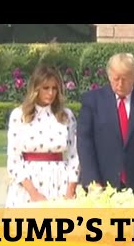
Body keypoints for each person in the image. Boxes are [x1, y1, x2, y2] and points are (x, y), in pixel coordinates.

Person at [77, 53, 134, 199]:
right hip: (101, 187)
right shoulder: (92, 101)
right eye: (116, 78)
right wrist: (92, 181)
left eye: (125, 79)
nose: (120, 84)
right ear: (109, 75)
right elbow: (84, 142)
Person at [5, 64, 79, 207]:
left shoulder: (66, 116)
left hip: (59, 182)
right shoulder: (19, 115)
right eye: (46, 88)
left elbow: (74, 156)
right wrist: (33, 193)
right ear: (36, 88)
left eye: (54, 88)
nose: (50, 93)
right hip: (28, 186)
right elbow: (14, 160)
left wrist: (70, 191)